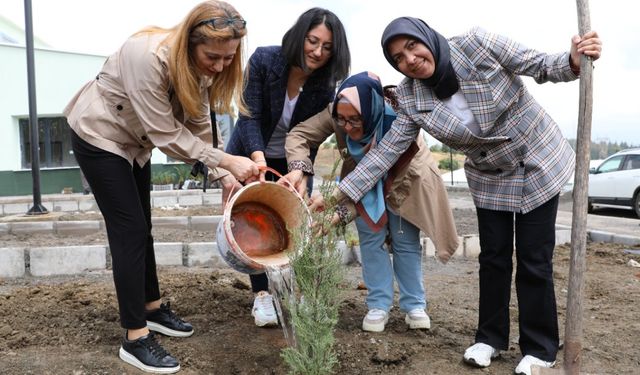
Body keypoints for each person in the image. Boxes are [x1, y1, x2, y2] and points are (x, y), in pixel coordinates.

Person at [332, 17, 602, 375]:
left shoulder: (476, 45)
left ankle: (539, 348)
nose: (409, 59)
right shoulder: (412, 96)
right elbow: (386, 153)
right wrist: (340, 195)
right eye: (398, 57)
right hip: (489, 175)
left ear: (427, 38)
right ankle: (489, 339)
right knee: (493, 257)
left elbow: (537, 64)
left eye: (412, 46)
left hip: (535, 158)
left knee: (534, 257)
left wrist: (571, 61)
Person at [63, 1, 259, 373]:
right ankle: (134, 338)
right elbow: (166, 134)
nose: (219, 67)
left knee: (143, 228)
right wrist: (228, 160)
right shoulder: (147, 56)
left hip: (133, 144)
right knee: (129, 231)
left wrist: (224, 176)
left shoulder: (198, 66)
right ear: (190, 41)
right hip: (99, 134)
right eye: (213, 57)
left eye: (228, 59)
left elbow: (199, 121)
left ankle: (151, 309)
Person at [281, 71, 459, 332]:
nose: (348, 127)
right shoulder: (336, 110)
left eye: (355, 119)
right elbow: (299, 135)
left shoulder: (399, 119)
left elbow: (378, 172)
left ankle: (414, 305)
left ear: (372, 109)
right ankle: (378, 305)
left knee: (405, 240)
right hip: (357, 186)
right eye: (342, 120)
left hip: (405, 181)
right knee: (370, 240)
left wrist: (337, 205)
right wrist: (299, 167)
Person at [224, 7, 350, 328]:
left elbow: (314, 135)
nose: (318, 52)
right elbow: (248, 115)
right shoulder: (265, 60)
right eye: (312, 41)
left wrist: (304, 173)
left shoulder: (325, 84)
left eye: (327, 48)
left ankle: (299, 293)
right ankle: (262, 296)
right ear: (300, 35)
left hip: (290, 158)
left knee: (295, 219)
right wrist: (257, 159)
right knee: (252, 220)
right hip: (250, 150)